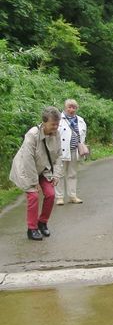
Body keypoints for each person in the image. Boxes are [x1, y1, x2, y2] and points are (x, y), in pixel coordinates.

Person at [10, 106, 63, 241]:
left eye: (57, 124)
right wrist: (34, 182)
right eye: (53, 124)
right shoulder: (32, 135)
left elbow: (58, 156)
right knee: (33, 196)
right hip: (26, 170)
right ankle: (32, 228)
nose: (55, 127)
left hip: (43, 168)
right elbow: (28, 160)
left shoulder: (56, 134)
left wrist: (56, 175)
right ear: (44, 122)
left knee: (51, 194)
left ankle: (42, 222)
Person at [55, 99, 87, 205]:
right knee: (59, 174)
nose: (71, 109)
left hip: (74, 150)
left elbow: (83, 135)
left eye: (74, 107)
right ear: (65, 107)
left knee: (72, 174)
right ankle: (59, 197)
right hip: (61, 151)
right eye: (69, 107)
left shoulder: (80, 120)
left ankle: (72, 196)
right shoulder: (58, 119)